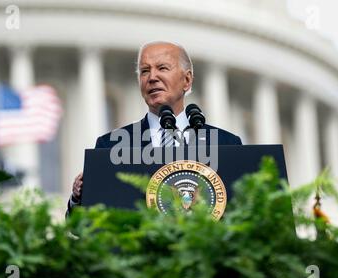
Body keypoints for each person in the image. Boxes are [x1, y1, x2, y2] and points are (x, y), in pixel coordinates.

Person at [68, 41, 242, 213]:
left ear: (187, 80)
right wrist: (79, 198)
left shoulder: (226, 143)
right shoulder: (111, 146)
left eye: (162, 68)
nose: (152, 77)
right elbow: (84, 224)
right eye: (145, 71)